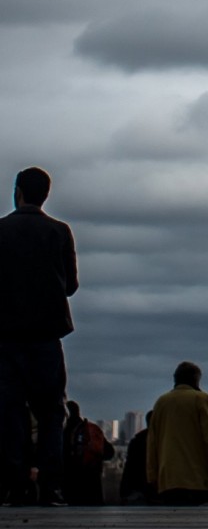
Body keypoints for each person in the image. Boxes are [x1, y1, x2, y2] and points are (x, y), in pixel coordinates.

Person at [0, 167, 78, 507]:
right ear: (45, 194)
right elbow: (71, 286)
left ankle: (17, 486)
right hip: (47, 336)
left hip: (6, 338)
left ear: (18, 191)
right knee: (51, 413)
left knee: (11, 412)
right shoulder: (59, 231)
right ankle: (51, 487)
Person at [146, 361, 208, 505]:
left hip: (168, 480)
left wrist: (152, 476)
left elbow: (153, 443)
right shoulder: (201, 400)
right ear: (196, 379)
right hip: (198, 479)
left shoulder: (162, 402)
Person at [61, 401, 113, 505]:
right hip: (93, 486)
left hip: (70, 487)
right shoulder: (91, 429)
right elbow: (109, 452)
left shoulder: (62, 433)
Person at [118, 411, 155, 505]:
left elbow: (129, 467)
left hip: (138, 489)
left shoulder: (137, 440)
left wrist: (124, 491)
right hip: (155, 488)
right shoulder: (164, 440)